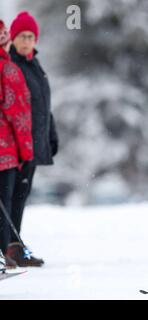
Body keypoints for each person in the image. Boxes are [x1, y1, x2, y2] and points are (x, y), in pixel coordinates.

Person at [5, 11, 59, 268]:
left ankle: (15, 246)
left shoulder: (35, 65)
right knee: (11, 197)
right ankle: (9, 247)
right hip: (16, 145)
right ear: (13, 39)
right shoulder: (11, 65)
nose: (27, 41)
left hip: (34, 142)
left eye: (31, 36)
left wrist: (51, 134)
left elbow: (43, 106)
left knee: (21, 196)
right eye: (22, 36)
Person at [0, 19, 33, 270]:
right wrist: (26, 152)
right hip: (7, 151)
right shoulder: (8, 69)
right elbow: (18, 113)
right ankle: (2, 256)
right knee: (4, 203)